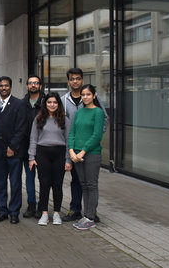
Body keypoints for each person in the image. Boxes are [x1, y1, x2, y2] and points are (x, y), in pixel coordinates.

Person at [61, 68, 109, 223]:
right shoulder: (64, 100)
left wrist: (93, 140)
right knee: (77, 181)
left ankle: (90, 212)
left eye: (78, 78)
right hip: (73, 150)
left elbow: (103, 120)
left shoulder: (95, 103)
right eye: (72, 79)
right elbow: (67, 127)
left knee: (90, 183)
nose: (75, 81)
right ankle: (75, 209)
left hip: (89, 150)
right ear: (68, 81)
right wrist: (70, 149)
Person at [28, 92, 71, 226]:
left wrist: (68, 160)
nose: (52, 105)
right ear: (45, 104)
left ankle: (57, 213)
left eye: (54, 102)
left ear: (58, 104)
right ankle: (44, 213)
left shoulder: (65, 119)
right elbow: (33, 139)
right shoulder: (39, 118)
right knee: (44, 184)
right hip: (43, 153)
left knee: (57, 185)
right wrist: (31, 157)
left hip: (59, 153)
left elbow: (69, 141)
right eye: (49, 102)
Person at [0, 76, 26, 224]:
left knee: (15, 183)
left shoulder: (19, 104)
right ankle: (2, 210)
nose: (3, 88)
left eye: (6, 86)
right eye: (1, 86)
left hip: (14, 152)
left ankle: (14, 212)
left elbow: (21, 128)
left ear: (10, 87)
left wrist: (13, 147)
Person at [68, 84, 105, 231]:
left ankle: (90, 217)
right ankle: (86, 215)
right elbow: (72, 132)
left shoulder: (98, 113)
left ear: (94, 96)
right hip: (76, 154)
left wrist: (82, 152)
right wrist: (71, 150)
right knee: (83, 185)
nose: (85, 97)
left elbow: (96, 136)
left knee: (91, 185)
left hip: (91, 154)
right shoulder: (79, 112)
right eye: (83, 95)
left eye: (88, 94)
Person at [21, 75, 44, 219]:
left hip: (43, 147)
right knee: (29, 178)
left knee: (43, 178)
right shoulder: (22, 103)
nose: (33, 85)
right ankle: (31, 204)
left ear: (40, 85)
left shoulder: (47, 102)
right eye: (30, 83)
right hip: (26, 147)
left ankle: (42, 206)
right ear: (27, 86)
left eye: (36, 83)